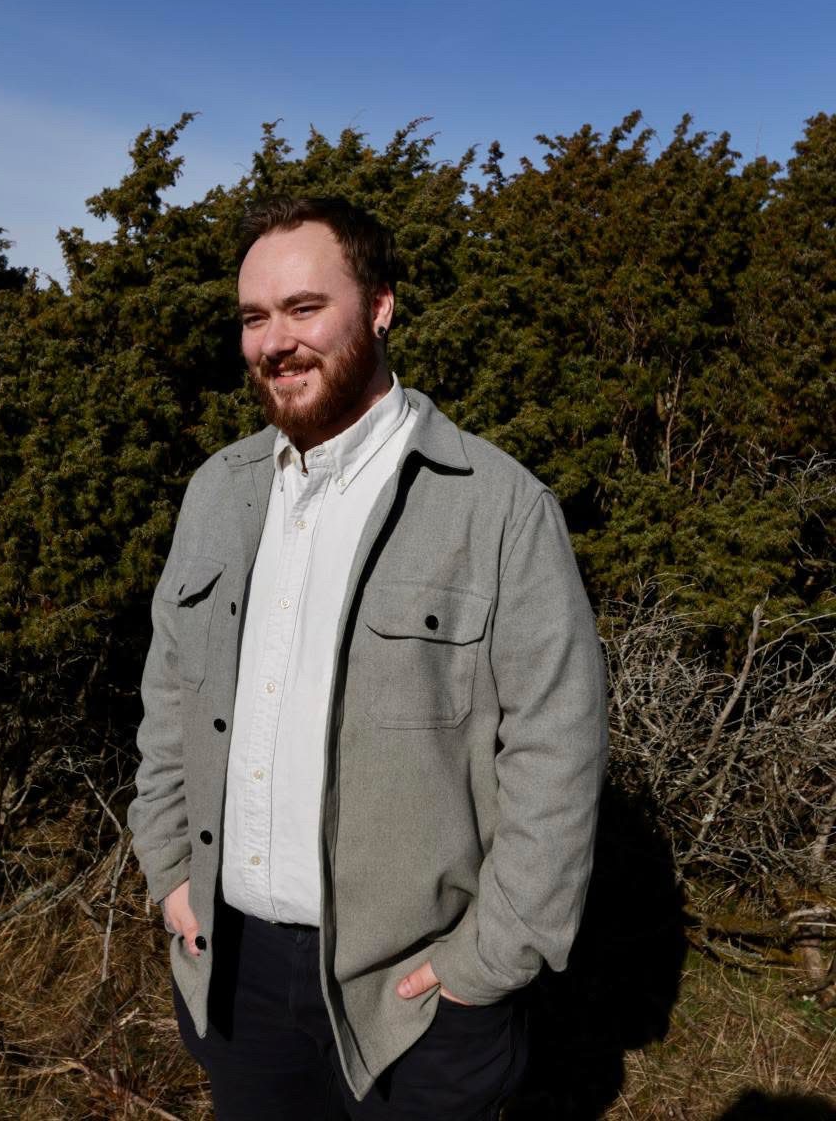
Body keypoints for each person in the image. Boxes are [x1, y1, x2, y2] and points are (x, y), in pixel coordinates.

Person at [127, 196, 608, 1120]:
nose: (276, 342)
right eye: (254, 318)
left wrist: (492, 959)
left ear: (380, 306)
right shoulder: (216, 493)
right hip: (235, 972)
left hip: (419, 994)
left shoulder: (498, 508)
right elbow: (167, 700)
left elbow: (560, 748)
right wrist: (169, 873)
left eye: (305, 309)